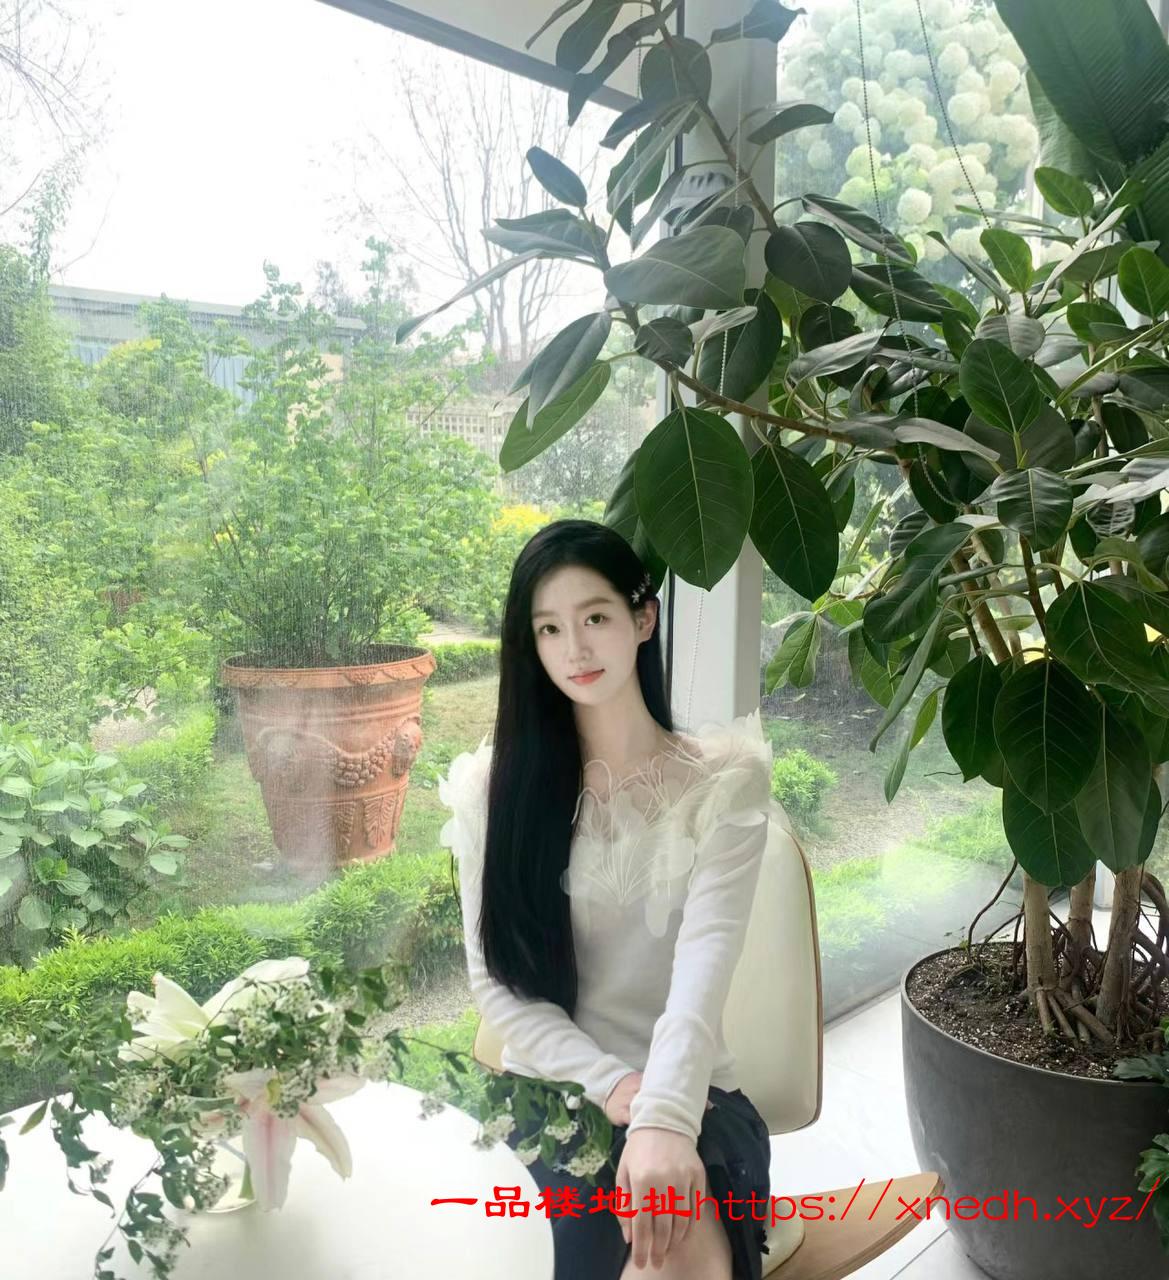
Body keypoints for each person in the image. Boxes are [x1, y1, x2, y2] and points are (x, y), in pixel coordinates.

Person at [438, 518, 777, 1280]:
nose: (575, 649)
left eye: (594, 618)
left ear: (642, 617)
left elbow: (702, 971)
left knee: (670, 1247)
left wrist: (662, 1116)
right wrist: (614, 1085)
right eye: (549, 629)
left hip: (692, 1095)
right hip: (547, 1098)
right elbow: (498, 985)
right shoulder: (491, 791)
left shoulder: (723, 784)